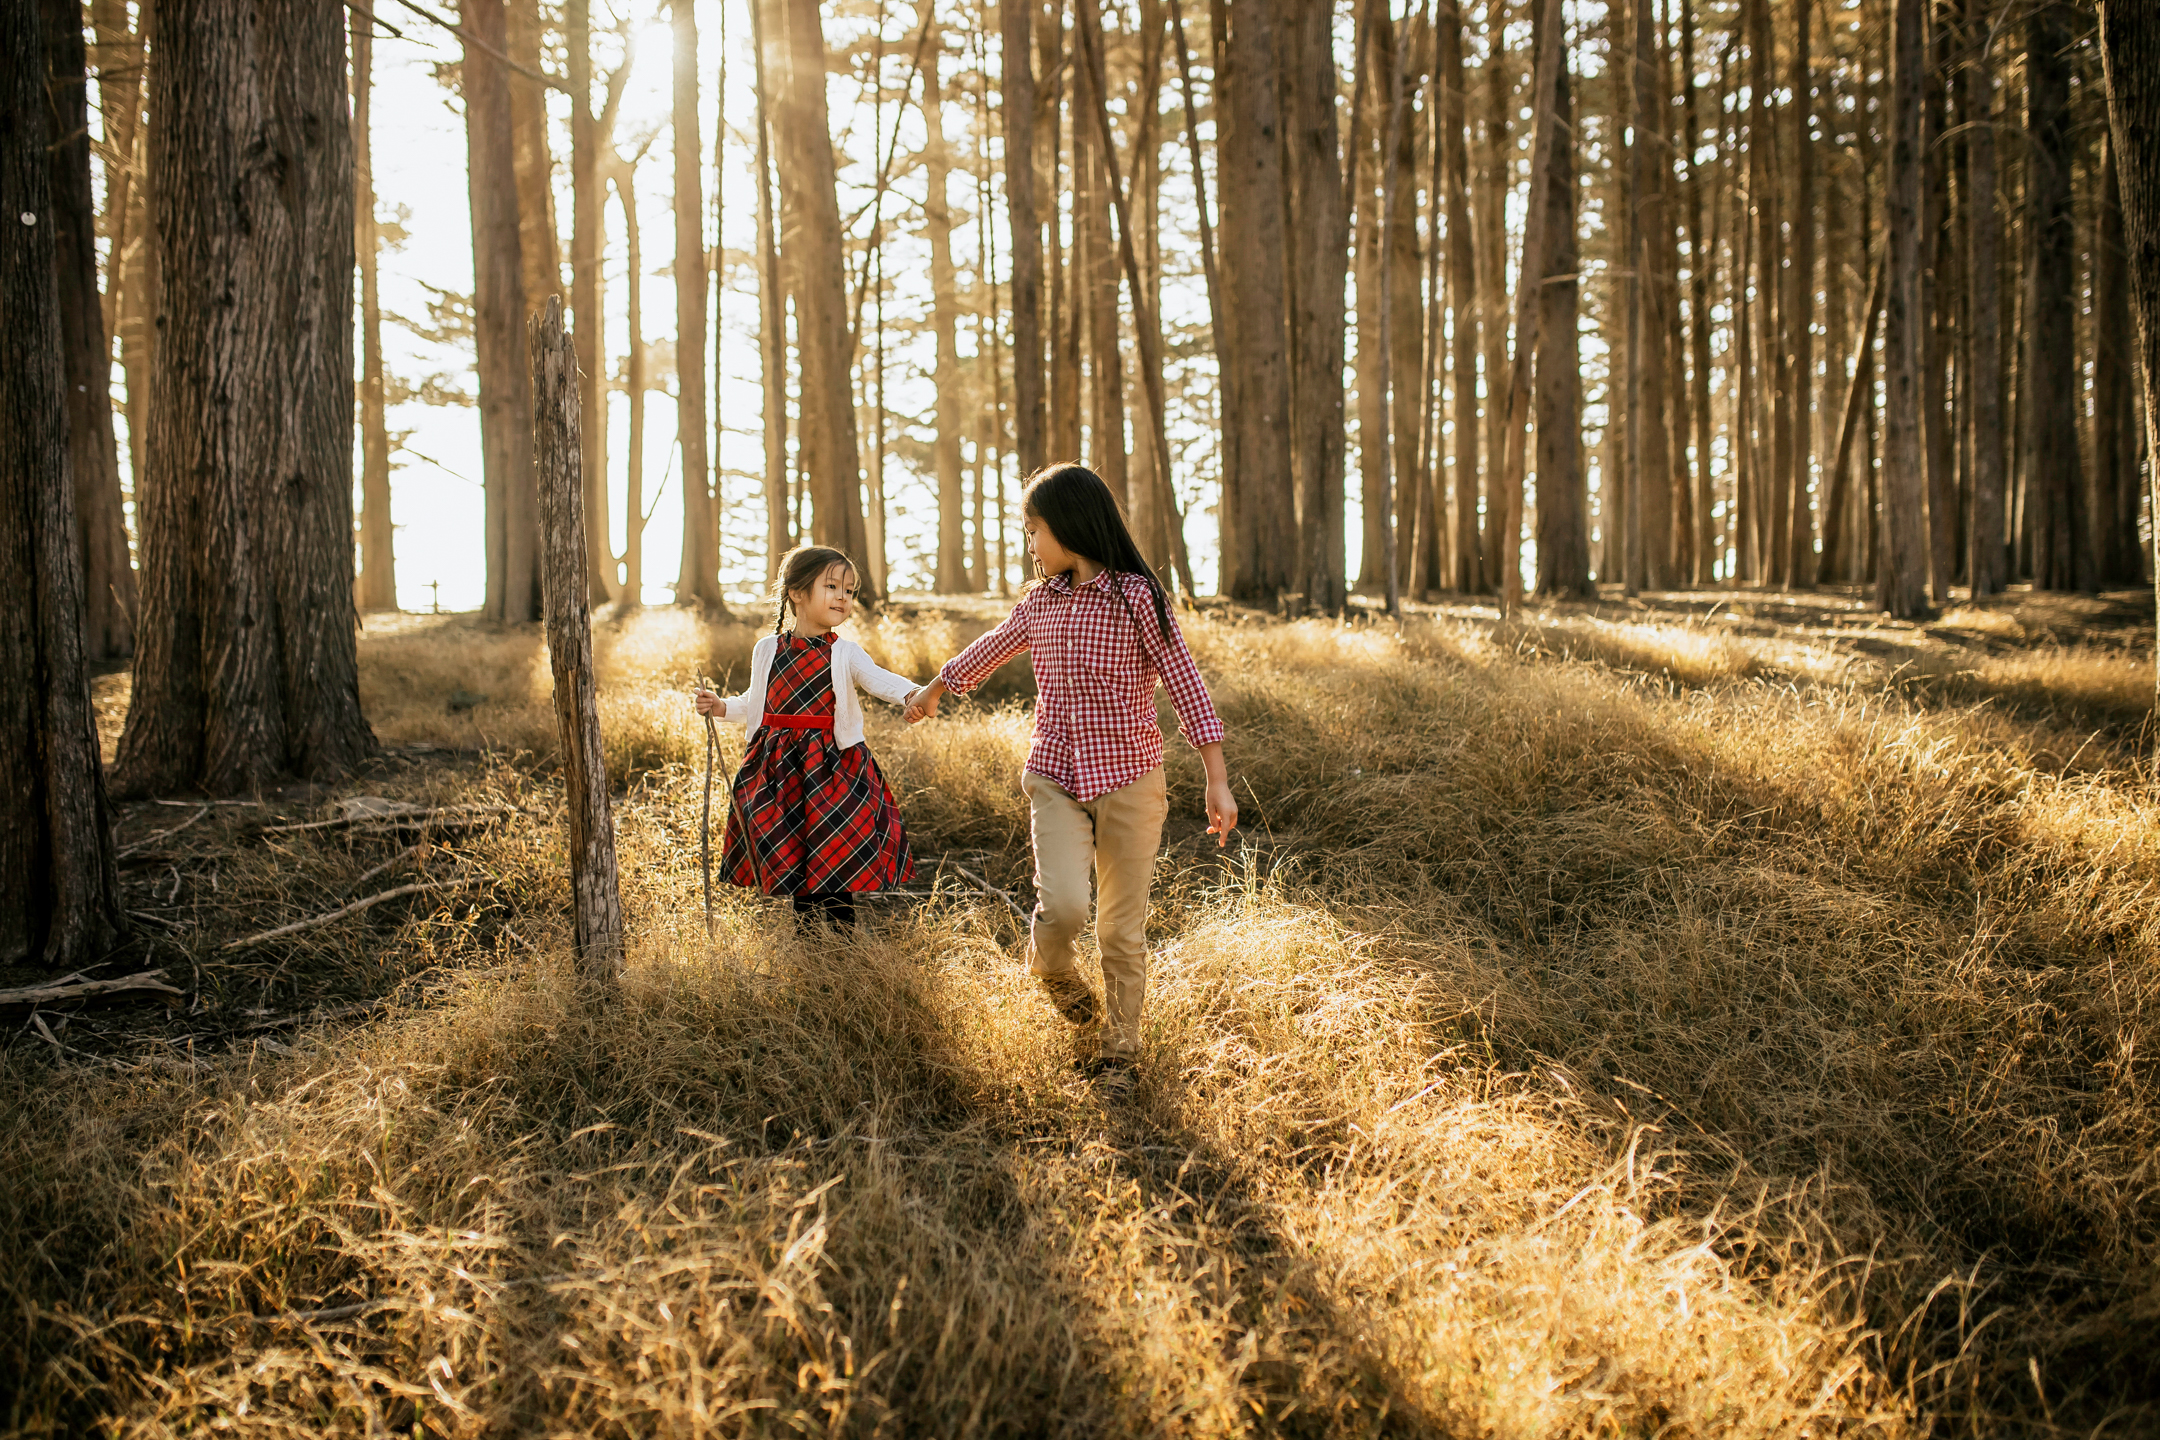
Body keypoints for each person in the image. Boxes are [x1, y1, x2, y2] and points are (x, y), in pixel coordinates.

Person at [906, 464, 1238, 1099]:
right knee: (1061, 908)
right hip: (1055, 775)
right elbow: (993, 646)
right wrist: (935, 687)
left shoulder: (1137, 597)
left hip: (1131, 779)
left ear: (1068, 524)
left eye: (1033, 528)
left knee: (1119, 929)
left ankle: (1121, 1051)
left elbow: (1185, 683)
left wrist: (1215, 777)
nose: (1029, 542)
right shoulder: (1042, 601)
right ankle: (1056, 979)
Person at [695, 546, 919, 932]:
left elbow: (879, 678)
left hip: (831, 770)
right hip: (780, 770)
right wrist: (721, 707)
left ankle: (842, 939)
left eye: (849, 591)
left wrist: (914, 693)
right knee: (797, 851)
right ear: (796, 592)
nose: (842, 597)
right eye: (831, 586)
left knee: (831, 850)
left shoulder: (845, 652)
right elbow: (756, 701)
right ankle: (809, 940)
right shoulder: (767, 649)